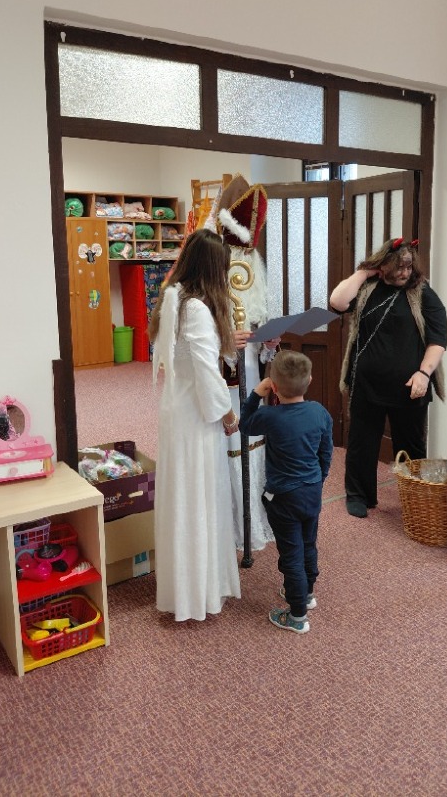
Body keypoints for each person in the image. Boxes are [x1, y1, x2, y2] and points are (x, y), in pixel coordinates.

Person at [149, 228, 241, 622]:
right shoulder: (198, 309)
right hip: (196, 414)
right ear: (213, 268)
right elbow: (207, 372)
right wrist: (228, 415)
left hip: (177, 408)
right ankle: (199, 593)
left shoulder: (173, 297)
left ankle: (183, 588)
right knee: (199, 497)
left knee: (182, 497)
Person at [329, 238, 447, 518]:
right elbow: (337, 302)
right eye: (398, 267)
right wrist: (364, 272)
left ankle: (415, 498)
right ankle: (359, 495)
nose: (405, 273)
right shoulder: (368, 288)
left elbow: (438, 340)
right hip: (366, 384)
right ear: (384, 265)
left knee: (411, 446)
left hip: (410, 387)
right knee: (362, 442)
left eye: (409, 267)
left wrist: (424, 373)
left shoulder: (423, 293)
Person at [239, 350, 333, 634]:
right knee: (308, 544)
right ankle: (307, 593)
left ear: (274, 387)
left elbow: (244, 424)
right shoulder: (319, 412)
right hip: (312, 492)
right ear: (310, 380)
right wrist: (318, 479)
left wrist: (256, 394)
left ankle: (297, 615)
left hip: (283, 497)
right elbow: (325, 452)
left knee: (291, 553)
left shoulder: (270, 416)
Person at [215, 174, 277, 553]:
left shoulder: (253, 269)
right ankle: (232, 523)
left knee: (253, 437)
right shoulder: (210, 274)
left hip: (250, 369)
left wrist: (268, 342)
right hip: (222, 379)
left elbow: (256, 319)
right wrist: (226, 342)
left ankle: (253, 515)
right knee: (231, 438)